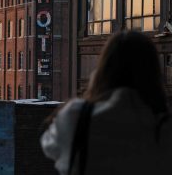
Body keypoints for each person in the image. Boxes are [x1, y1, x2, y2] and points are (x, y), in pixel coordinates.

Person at [41, 31, 172, 175]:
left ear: (103, 69)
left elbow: (49, 145)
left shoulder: (76, 117)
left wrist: (91, 91)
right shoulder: (164, 126)